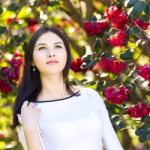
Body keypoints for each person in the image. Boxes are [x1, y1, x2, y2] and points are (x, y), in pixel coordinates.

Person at [12, 26, 124, 150]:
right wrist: (30, 129)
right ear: (32, 60)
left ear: (66, 54)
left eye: (58, 46)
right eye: (42, 48)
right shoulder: (29, 110)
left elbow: (114, 146)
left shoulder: (90, 96)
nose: (51, 53)